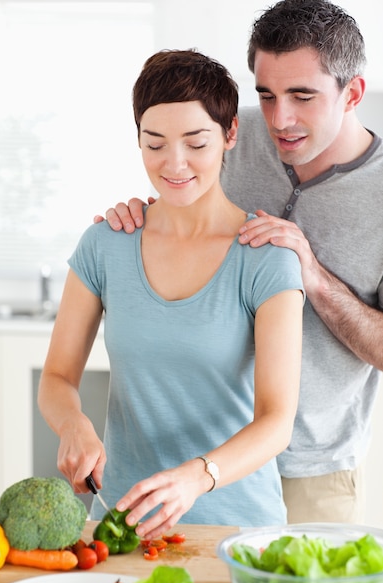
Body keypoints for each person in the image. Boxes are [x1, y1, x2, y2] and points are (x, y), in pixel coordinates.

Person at [103, 0, 383, 525]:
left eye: (303, 96)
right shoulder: (228, 132)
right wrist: (136, 215)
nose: (280, 120)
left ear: (353, 94)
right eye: (267, 94)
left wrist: (315, 278)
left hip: (312, 470)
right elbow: (175, 192)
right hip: (203, 463)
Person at [38, 49, 304, 540]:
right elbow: (56, 376)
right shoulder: (106, 244)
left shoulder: (266, 257)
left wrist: (197, 477)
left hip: (237, 526)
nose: (174, 164)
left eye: (195, 142)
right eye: (154, 143)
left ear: (229, 136)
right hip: (124, 523)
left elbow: (277, 420)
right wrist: (73, 423)